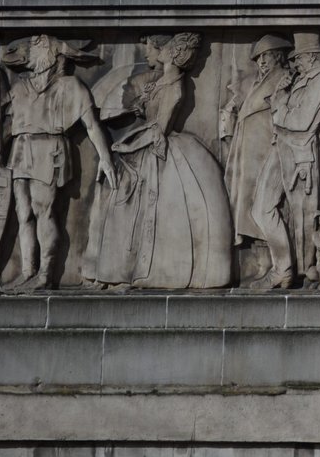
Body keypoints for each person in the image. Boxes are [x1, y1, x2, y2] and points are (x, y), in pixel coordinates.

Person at [86, 33, 233, 289]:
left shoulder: (175, 86)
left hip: (154, 152)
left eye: (154, 47)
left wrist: (125, 144)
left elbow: (160, 129)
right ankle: (113, 272)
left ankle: (137, 273)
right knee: (122, 210)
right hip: (142, 150)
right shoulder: (158, 83)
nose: (148, 52)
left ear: (172, 52)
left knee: (142, 213)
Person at [1, 35, 116, 291]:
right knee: (24, 214)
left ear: (49, 52)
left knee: (45, 211)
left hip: (49, 149)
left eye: (35, 45)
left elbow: (92, 126)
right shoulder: (21, 87)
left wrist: (105, 158)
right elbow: (7, 126)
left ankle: (45, 275)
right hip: (21, 150)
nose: (29, 50)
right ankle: (27, 272)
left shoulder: (70, 86)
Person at [250, 32, 320, 289]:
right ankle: (284, 268)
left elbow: (298, 122)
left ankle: (303, 272)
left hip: (300, 158)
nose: (295, 63)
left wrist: (280, 99)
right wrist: (283, 92)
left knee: (303, 219)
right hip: (281, 149)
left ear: (310, 57)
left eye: (298, 58)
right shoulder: (303, 80)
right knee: (261, 209)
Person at [218, 34, 291, 245]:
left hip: (264, 142)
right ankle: (238, 231)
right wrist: (228, 134)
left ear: (278, 56)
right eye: (259, 58)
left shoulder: (285, 77)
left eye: (266, 55)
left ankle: (259, 235)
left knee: (257, 193)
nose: (262, 61)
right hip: (244, 142)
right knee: (237, 186)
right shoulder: (253, 81)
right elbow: (230, 108)